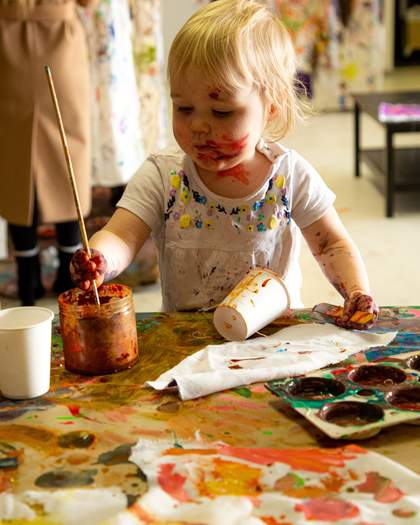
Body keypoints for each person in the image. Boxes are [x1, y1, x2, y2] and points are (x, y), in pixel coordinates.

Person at [70, 0, 378, 329]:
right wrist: (100, 258)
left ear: (271, 108)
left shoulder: (290, 176)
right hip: (186, 340)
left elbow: (331, 243)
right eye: (184, 109)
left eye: (222, 112)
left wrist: (356, 291)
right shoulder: (163, 176)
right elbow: (122, 235)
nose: (199, 126)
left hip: (274, 336)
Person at [0, 0, 97, 306]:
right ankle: (69, 266)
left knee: (13, 151)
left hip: (6, 34)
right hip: (60, 38)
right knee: (67, 147)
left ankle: (27, 273)